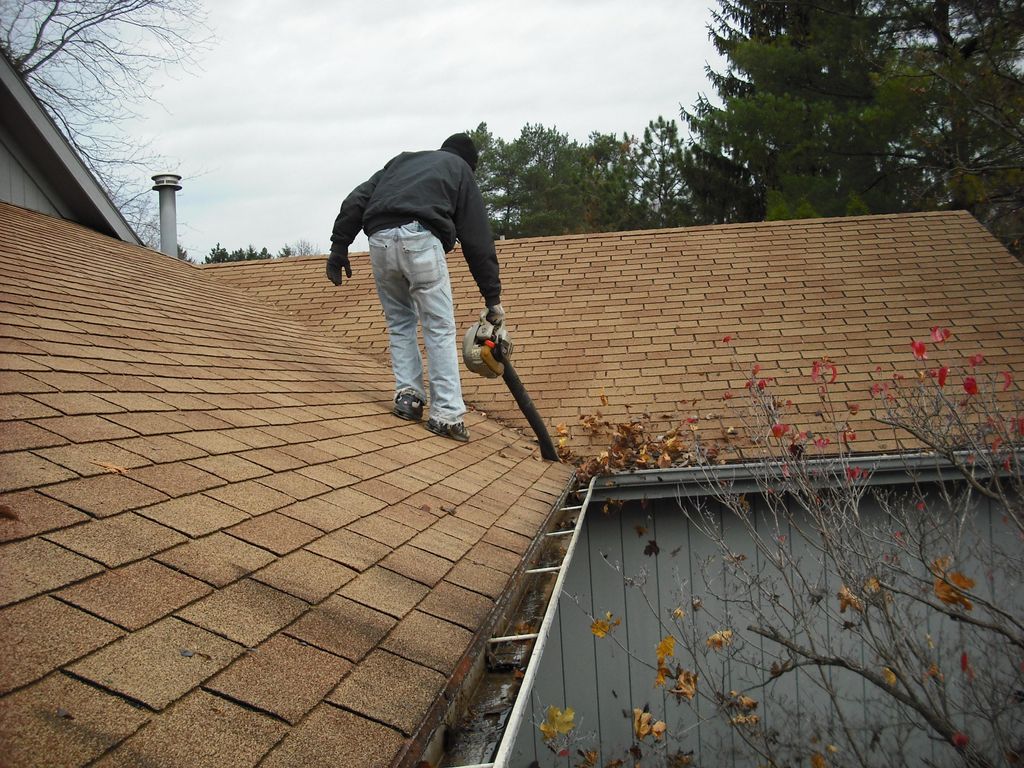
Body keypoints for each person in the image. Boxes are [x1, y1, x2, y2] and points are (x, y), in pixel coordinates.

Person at [326, 133, 504, 442]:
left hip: (379, 241)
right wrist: (492, 297)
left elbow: (358, 198)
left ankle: (408, 398)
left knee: (400, 322)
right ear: (470, 163)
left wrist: (339, 246)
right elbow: (477, 237)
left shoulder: (403, 161)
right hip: (420, 238)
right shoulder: (460, 169)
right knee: (438, 327)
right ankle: (446, 415)